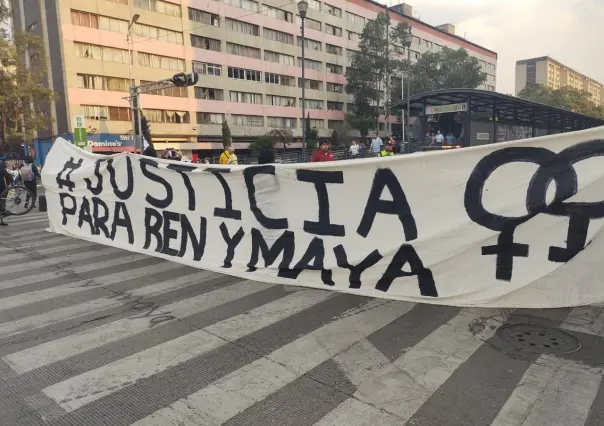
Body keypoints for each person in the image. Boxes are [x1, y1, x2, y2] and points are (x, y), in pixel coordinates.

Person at [0, 157, 14, 226]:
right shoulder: (1, 166)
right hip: (2, 188)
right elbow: (7, 175)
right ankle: (3, 219)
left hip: (3, 187)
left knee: (2, 204)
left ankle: (3, 219)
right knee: (2, 204)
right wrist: (11, 181)